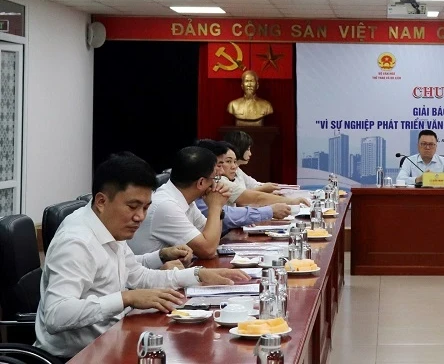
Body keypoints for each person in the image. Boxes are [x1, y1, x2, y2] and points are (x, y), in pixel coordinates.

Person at [35, 153, 249, 358]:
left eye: (146, 207)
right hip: (79, 355)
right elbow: (57, 315)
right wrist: (127, 298)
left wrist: (197, 274)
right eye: (133, 206)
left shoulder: (109, 225)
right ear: (101, 201)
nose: (140, 217)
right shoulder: (76, 241)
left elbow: (137, 275)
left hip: (115, 340)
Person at [127, 146, 229, 259]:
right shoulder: (166, 205)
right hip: (148, 273)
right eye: (215, 178)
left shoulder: (185, 199)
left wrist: (218, 209)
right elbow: (208, 250)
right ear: (201, 182)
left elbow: (212, 238)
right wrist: (215, 206)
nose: (216, 183)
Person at [193, 139, 291, 234]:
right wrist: (270, 210)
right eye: (219, 165)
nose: (222, 171)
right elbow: (208, 245)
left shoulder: (198, 198)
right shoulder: (190, 203)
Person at [196, 139, 308, 208]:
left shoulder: (224, 176)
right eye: (220, 164)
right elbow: (251, 197)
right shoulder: (219, 181)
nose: (220, 171)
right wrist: (290, 202)